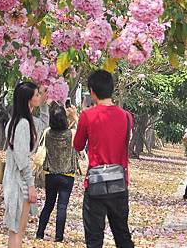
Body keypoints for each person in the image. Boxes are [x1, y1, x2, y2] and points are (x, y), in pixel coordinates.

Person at [73, 70, 134, 248]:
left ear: (92, 91)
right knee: (122, 235)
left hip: (95, 184)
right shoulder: (126, 116)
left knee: (94, 238)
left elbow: (77, 145)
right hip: (119, 183)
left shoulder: (87, 115)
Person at [3, 82, 41, 248]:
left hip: (15, 181)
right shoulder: (22, 124)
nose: (39, 97)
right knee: (18, 230)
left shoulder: (15, 122)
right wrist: (31, 185)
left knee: (17, 230)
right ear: (28, 99)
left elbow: (43, 124)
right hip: (19, 183)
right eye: (37, 95)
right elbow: (22, 160)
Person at [36, 102, 79, 242]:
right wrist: (74, 116)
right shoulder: (71, 134)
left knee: (48, 204)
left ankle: (40, 233)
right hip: (67, 176)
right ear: (64, 120)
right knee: (62, 206)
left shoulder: (47, 133)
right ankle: (58, 237)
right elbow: (82, 134)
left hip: (51, 175)